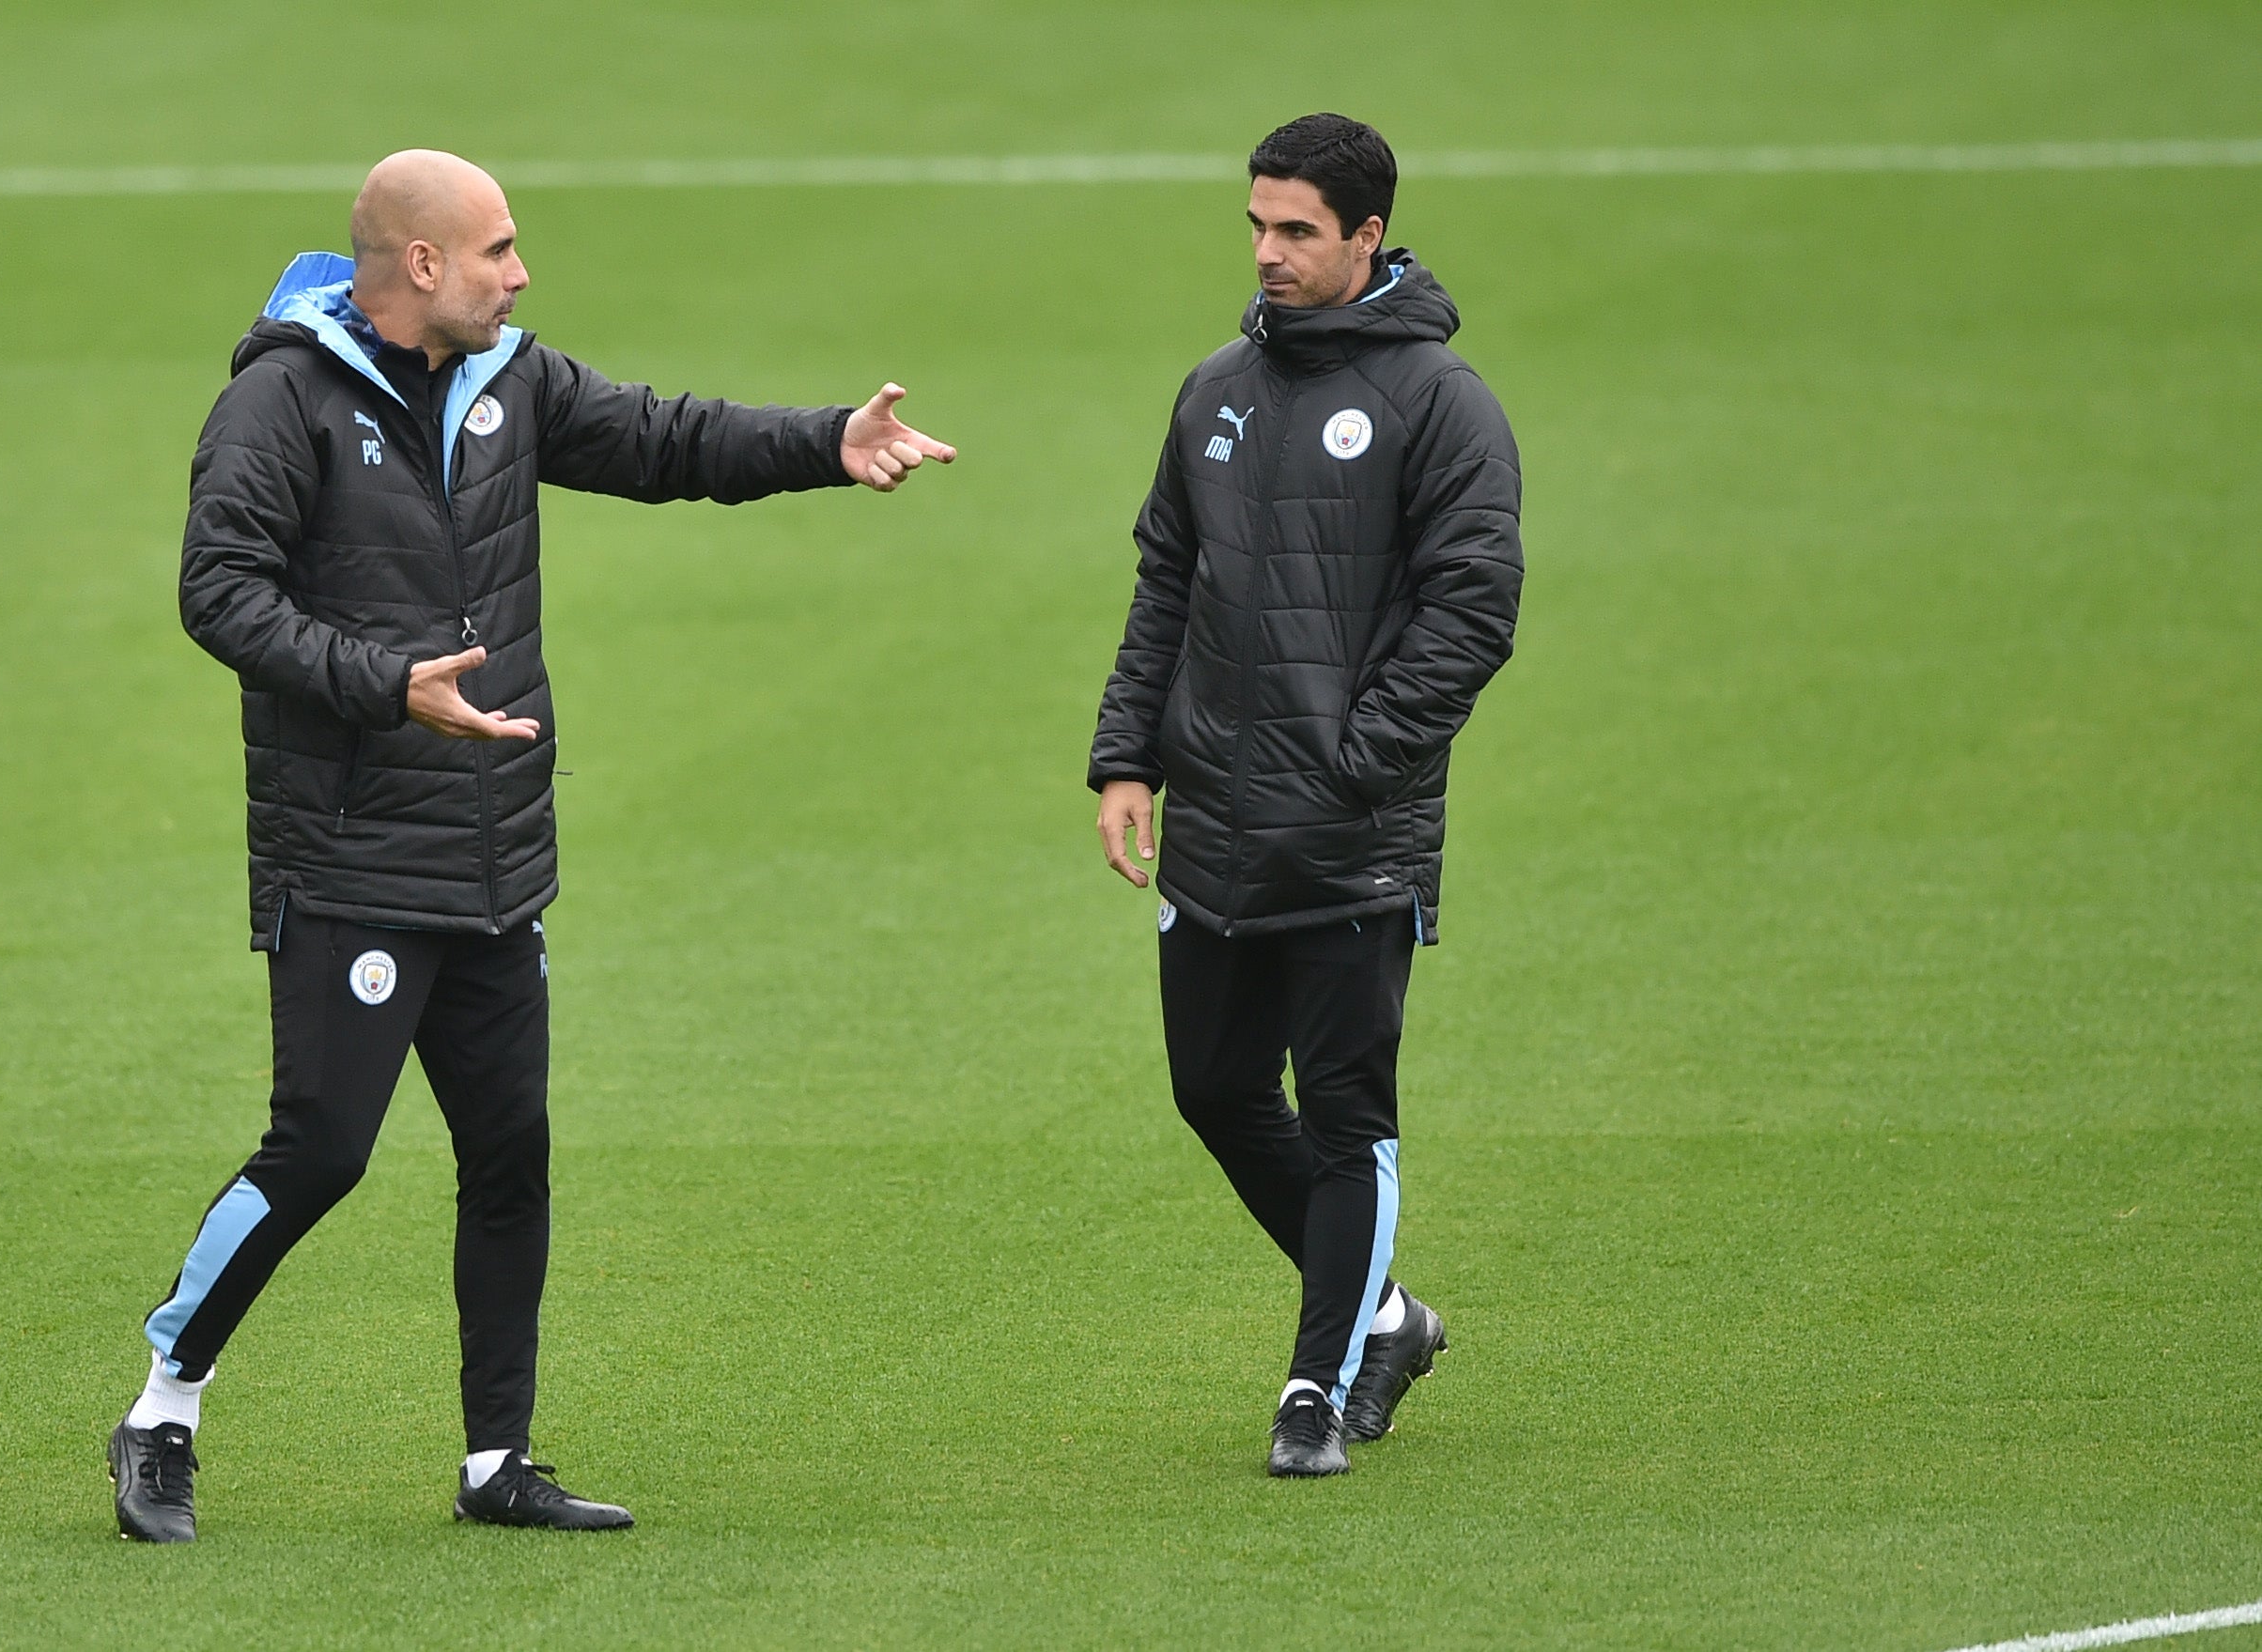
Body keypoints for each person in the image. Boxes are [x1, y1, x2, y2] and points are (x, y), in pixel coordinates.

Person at [109, 149, 954, 1540]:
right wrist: (389, 684)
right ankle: (162, 1411)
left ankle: (496, 1462)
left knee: (510, 1156)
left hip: (498, 857)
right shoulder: (278, 403)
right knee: (319, 1150)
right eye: (497, 249)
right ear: (420, 265)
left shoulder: (510, 383)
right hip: (354, 855)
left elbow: (665, 440)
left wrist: (826, 443)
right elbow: (219, 595)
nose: (519, 273)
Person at [1087, 113, 1521, 1477]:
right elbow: (1167, 578)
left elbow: (1473, 607)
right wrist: (1124, 757)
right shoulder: (1212, 390)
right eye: (1256, 227)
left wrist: (1358, 759)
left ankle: (1316, 1389)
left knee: (1344, 1112)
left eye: (1297, 232)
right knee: (1213, 1089)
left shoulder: (1440, 405)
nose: (1267, 254)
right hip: (1212, 819)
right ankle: (1384, 1316)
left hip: (1350, 834)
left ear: (1367, 237)